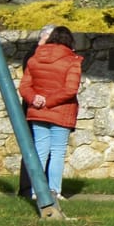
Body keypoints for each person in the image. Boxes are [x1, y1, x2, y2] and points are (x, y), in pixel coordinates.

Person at [19, 26, 82, 205]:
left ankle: (35, 191)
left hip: (38, 111)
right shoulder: (72, 60)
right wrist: (50, 101)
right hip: (61, 111)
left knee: (40, 151)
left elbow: (24, 87)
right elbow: (70, 89)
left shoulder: (34, 58)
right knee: (57, 152)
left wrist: (35, 99)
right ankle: (54, 190)